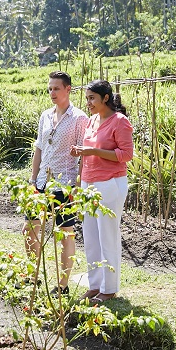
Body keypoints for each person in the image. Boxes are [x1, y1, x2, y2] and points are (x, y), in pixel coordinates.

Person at [24, 71, 88, 294]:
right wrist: (33, 180)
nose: (52, 92)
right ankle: (32, 276)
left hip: (65, 183)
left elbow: (83, 155)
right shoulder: (45, 116)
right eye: (50, 88)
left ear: (68, 89)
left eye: (56, 88)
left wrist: (78, 187)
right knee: (30, 227)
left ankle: (62, 285)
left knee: (66, 232)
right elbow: (39, 148)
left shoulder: (79, 118)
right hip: (41, 180)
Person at [71, 79, 133, 303]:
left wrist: (92, 150)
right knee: (90, 237)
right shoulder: (91, 121)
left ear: (105, 98)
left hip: (110, 183)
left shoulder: (120, 122)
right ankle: (94, 284)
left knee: (108, 235)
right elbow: (86, 157)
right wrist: (80, 184)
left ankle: (109, 288)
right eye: (87, 98)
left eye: (92, 98)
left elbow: (125, 155)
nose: (88, 103)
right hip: (89, 183)